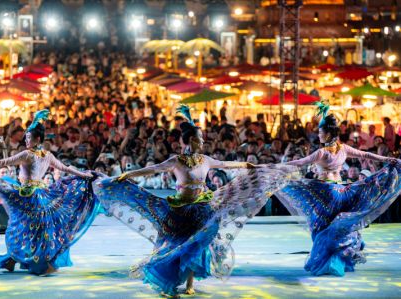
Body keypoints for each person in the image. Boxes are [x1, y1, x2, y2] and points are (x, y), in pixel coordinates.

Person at [94, 105, 293, 298]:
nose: (203, 141)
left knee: (197, 245)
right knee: (177, 246)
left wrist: (244, 164)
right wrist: (128, 173)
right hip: (179, 210)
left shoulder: (205, 159)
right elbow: (154, 169)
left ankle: (190, 283)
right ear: (191, 141)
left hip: (201, 208)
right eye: (200, 139)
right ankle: (167, 280)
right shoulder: (176, 161)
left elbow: (224, 164)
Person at [0, 110, 100, 276]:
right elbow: (65, 168)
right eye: (26, 137)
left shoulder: (28, 154)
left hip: (26, 196)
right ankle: (19, 260)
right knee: (34, 230)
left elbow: (3, 162)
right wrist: (84, 174)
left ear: (38, 139)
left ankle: (21, 260)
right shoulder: (47, 155)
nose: (26, 139)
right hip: (41, 195)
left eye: (29, 137)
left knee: (22, 229)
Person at [275, 101, 401, 277]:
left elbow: (300, 162)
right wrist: (387, 160)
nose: (318, 135)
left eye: (320, 132)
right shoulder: (344, 148)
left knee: (321, 228)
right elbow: (366, 154)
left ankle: (328, 262)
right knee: (340, 228)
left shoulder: (322, 152)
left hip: (326, 192)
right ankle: (336, 261)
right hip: (342, 191)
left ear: (327, 134)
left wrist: (276, 166)